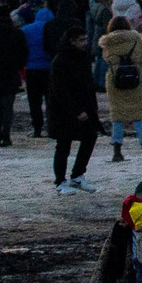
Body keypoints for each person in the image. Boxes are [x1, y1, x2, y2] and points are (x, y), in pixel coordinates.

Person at [47, 27, 101, 196]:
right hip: (64, 111)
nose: (85, 43)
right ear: (72, 41)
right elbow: (59, 90)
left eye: (85, 39)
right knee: (63, 144)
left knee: (90, 137)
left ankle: (77, 175)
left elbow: (87, 84)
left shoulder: (82, 57)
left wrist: (91, 107)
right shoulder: (61, 60)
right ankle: (60, 181)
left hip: (84, 107)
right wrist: (75, 110)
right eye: (81, 40)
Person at [98, 15, 142, 162]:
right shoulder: (136, 40)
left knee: (117, 116)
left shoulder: (108, 42)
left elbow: (107, 59)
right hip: (136, 79)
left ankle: (117, 151)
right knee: (139, 114)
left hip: (115, 80)